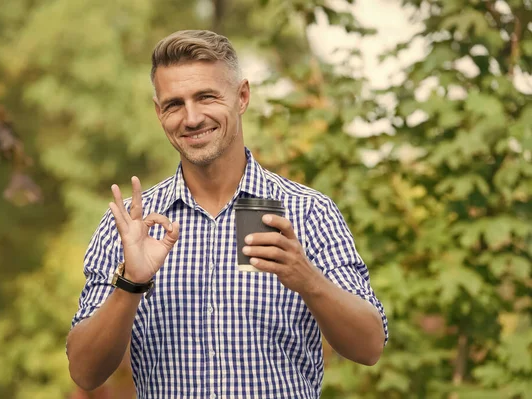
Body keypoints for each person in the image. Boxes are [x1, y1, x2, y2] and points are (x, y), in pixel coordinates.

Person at [67, 29, 388, 399]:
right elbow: (85, 373)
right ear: (159, 113)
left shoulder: (307, 211)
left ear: (242, 96)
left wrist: (307, 280)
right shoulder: (131, 225)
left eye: (206, 97)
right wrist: (131, 284)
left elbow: (369, 347)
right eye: (174, 104)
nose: (191, 118)